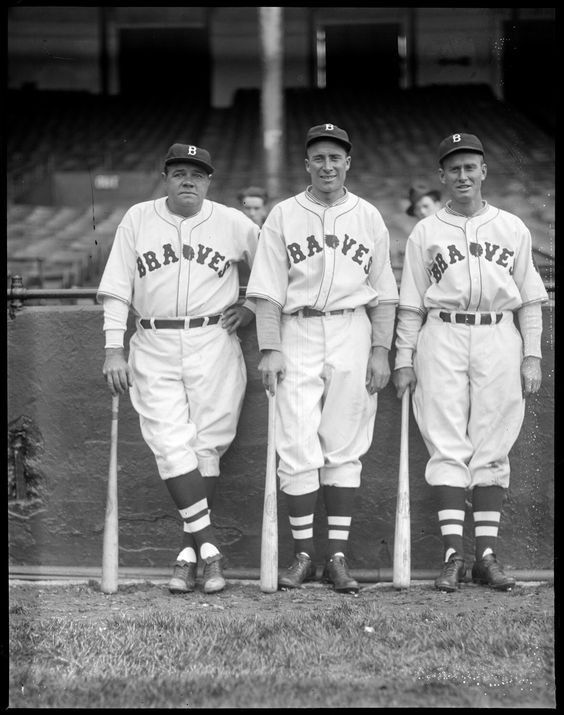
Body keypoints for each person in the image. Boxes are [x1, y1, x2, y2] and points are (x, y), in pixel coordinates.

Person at [97, 142, 259, 595]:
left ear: (209, 181)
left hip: (213, 340)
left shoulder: (231, 221)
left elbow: (272, 269)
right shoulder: (137, 218)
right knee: (170, 444)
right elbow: (115, 288)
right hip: (153, 341)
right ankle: (209, 549)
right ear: (165, 177)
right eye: (180, 172)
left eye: (198, 174)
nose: (189, 180)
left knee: (208, 444)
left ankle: (187, 557)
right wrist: (114, 348)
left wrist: (248, 305)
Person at [392, 132, 549, 593]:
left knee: (493, 443)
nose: (462, 175)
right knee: (445, 442)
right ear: (441, 175)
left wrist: (533, 355)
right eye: (453, 168)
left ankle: (485, 555)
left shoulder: (512, 227)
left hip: (500, 334)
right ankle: (452, 555)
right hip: (441, 333)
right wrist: (404, 357)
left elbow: (531, 302)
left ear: (483, 171)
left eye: (470, 167)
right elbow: (410, 305)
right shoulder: (425, 231)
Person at [246, 123, 399, 594]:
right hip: (299, 329)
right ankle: (303, 556)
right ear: (307, 163)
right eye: (319, 158)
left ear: (348, 162)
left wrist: (380, 349)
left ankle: (335, 557)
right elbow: (268, 289)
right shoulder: (284, 215)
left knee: (345, 442)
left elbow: (386, 294)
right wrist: (270, 347)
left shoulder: (368, 215)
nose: (328, 165)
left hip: (353, 326)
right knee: (295, 441)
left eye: (336, 157)